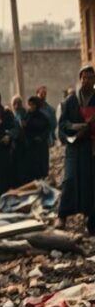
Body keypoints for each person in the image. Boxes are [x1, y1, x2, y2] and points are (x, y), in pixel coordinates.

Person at [56, 65, 95, 233]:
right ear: (80, 79)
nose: (87, 80)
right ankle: (62, 215)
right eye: (84, 77)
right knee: (69, 179)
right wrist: (76, 127)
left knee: (90, 183)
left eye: (90, 78)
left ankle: (90, 219)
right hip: (74, 147)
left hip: (90, 148)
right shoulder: (70, 101)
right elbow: (62, 124)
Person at [15, 96, 50, 186]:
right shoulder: (27, 116)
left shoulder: (43, 117)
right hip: (30, 149)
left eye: (32, 105)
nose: (30, 107)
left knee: (41, 174)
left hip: (40, 149)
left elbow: (46, 129)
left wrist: (40, 137)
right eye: (29, 105)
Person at [37, 85, 57, 179]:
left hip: (45, 138)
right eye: (41, 93)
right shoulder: (34, 108)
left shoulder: (50, 110)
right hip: (35, 139)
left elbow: (53, 124)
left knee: (45, 160)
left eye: (44, 93)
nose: (43, 95)